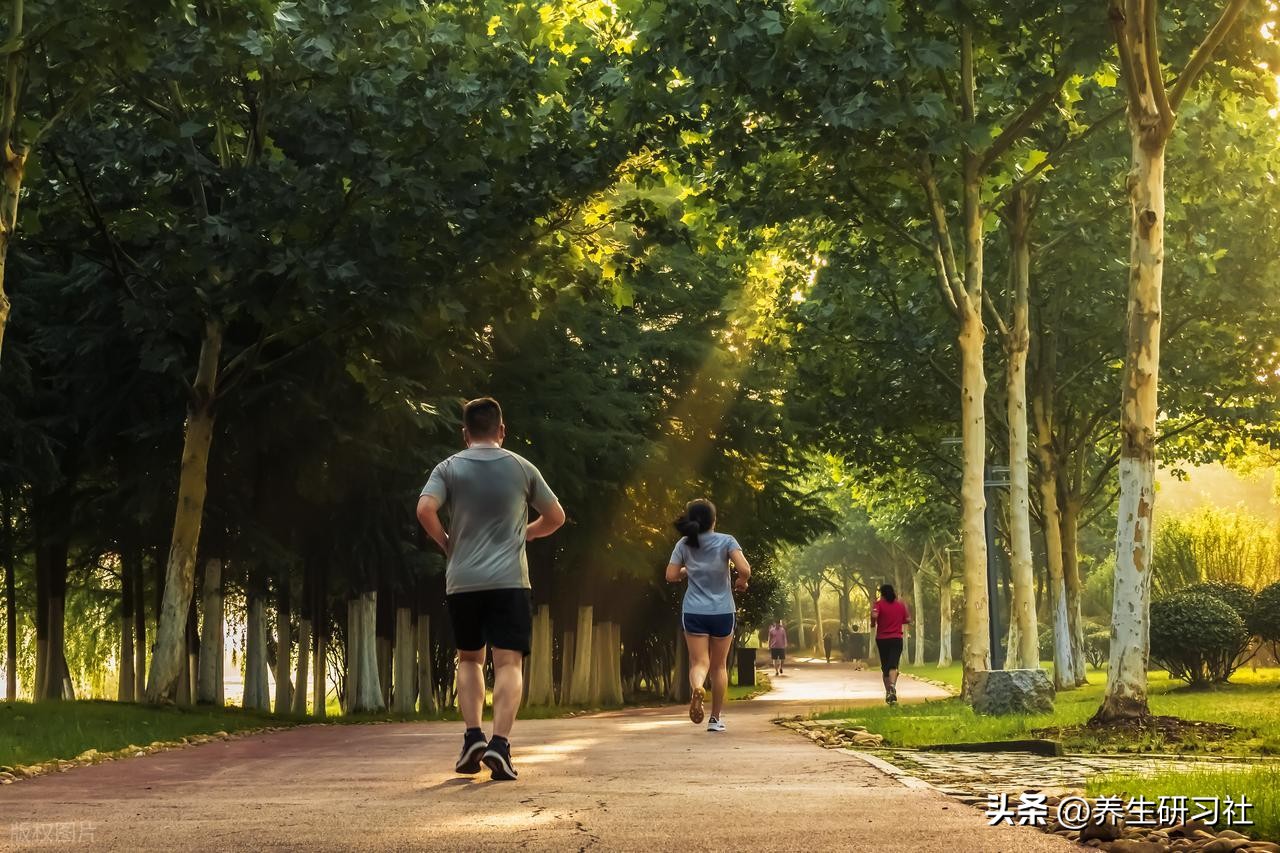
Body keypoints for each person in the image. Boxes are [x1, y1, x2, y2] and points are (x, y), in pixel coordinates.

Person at [416, 397, 566, 781]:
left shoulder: (448, 467)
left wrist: (447, 542)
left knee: (469, 659)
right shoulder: (521, 467)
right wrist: (526, 533)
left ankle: (472, 737)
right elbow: (556, 516)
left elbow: (425, 509)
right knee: (508, 662)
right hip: (509, 581)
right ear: (501, 430)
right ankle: (500, 745)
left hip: (462, 580)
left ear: (465, 433)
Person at [665, 499, 751, 733]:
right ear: (714, 520)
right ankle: (715, 719)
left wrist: (686, 570)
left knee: (699, 662)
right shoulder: (726, 540)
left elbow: (671, 575)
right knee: (719, 666)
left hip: (694, 611)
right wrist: (741, 581)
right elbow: (744, 569)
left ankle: (697, 688)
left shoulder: (684, 544)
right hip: (722, 611)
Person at [870, 583, 910, 705]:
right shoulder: (900, 605)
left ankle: (889, 692)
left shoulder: (879, 604)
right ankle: (892, 687)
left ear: (882, 594)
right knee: (894, 665)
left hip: (882, 639)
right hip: (896, 638)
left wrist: (873, 623)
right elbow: (907, 620)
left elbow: (874, 615)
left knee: (885, 667)